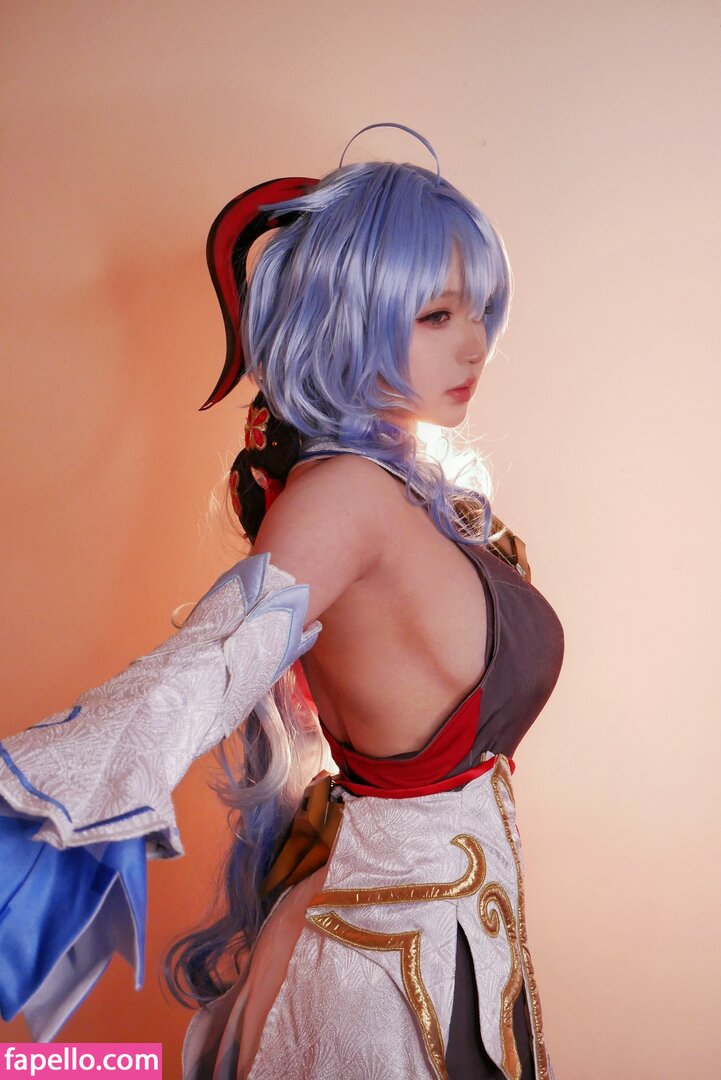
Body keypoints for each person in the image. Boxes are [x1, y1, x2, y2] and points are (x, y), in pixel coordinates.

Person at [0, 124, 564, 1079]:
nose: (475, 344)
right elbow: (208, 665)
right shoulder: (342, 497)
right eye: (435, 315)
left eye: (480, 311)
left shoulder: (403, 483)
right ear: (348, 318)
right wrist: (29, 802)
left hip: (449, 942)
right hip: (384, 978)